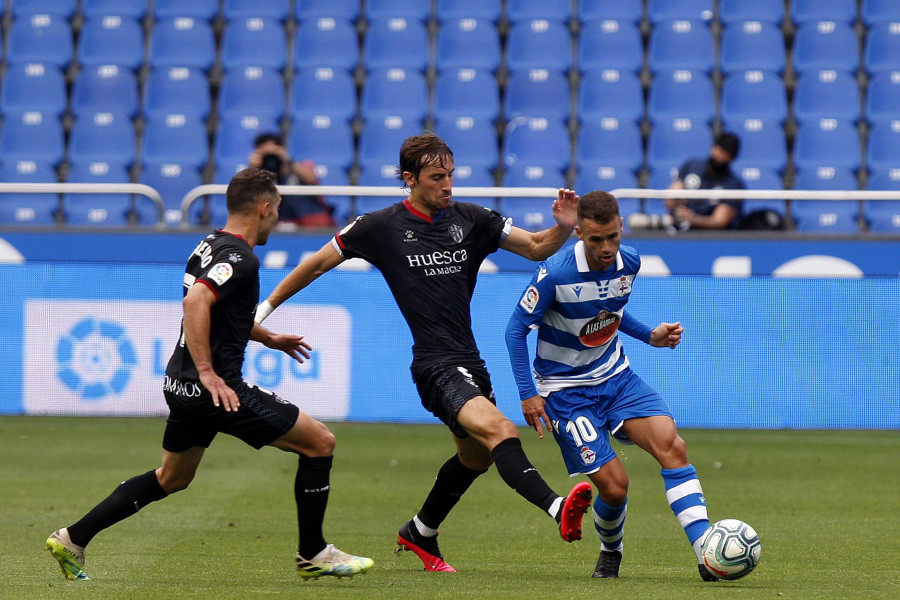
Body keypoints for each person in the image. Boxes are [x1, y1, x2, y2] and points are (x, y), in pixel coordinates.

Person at [254, 133, 593, 573]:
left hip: (469, 362)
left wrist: (564, 226)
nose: (447, 184)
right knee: (501, 431)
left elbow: (535, 247)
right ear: (410, 179)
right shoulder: (378, 226)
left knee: (476, 456)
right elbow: (316, 263)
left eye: (451, 174)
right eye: (437, 177)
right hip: (434, 365)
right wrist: (265, 309)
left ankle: (420, 531)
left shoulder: (473, 218)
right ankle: (557, 507)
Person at [45, 168, 373, 582]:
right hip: (214, 388)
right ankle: (313, 553)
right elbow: (197, 302)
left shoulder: (208, 245)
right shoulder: (242, 257)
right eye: (277, 211)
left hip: (180, 384)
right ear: (264, 208)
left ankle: (72, 537)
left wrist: (266, 337)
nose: (277, 219)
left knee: (173, 477)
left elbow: (217, 310)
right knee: (320, 443)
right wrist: (209, 373)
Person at [505, 190, 717, 582]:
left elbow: (611, 311)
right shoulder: (555, 274)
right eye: (595, 239)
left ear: (621, 226)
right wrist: (527, 392)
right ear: (579, 233)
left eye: (612, 237)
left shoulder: (630, 261)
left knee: (673, 445)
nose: (606, 247)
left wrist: (649, 335)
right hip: (565, 393)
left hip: (616, 378)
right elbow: (515, 331)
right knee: (615, 488)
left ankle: (707, 550)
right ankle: (611, 548)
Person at [248, 132, 337, 228]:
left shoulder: (302, 165)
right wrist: (253, 168)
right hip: (277, 224)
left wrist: (287, 160)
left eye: (273, 152)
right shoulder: (260, 175)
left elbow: (312, 180)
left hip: (311, 222)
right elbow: (248, 197)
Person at [665, 132, 745, 230]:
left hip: (712, 237)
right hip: (681, 229)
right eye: (719, 150)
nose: (720, 157)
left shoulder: (734, 185)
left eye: (725, 154)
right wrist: (675, 204)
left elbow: (719, 221)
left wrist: (692, 219)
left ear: (732, 158)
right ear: (713, 147)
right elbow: (671, 197)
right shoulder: (691, 166)